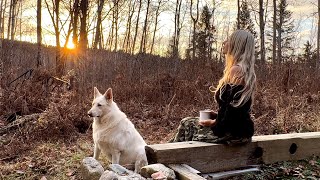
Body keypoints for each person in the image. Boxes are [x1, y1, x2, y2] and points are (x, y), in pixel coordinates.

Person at [170, 30, 256, 145]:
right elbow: (236, 110)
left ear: (236, 45)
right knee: (188, 123)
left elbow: (233, 114)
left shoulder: (236, 70)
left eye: (229, 40)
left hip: (232, 134)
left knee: (187, 124)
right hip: (239, 131)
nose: (224, 42)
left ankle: (166, 157)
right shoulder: (243, 70)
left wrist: (214, 123)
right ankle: (170, 155)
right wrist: (217, 115)